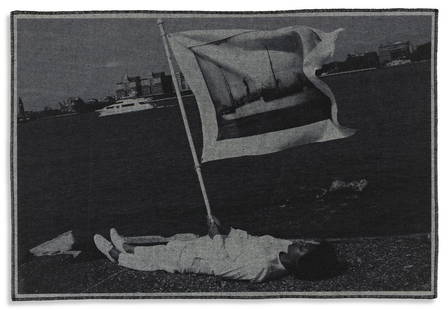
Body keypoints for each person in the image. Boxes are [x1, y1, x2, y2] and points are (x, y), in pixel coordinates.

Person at [93, 218, 340, 282]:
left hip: (202, 259)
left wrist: (215, 234)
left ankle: (117, 256)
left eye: (306, 248)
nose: (303, 243)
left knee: (161, 259)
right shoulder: (283, 247)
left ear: (300, 264)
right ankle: (127, 246)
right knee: (169, 244)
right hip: (209, 244)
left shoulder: (261, 268)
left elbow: (221, 267)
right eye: (309, 243)